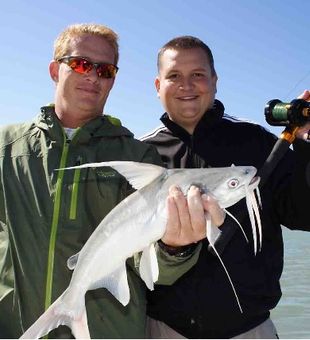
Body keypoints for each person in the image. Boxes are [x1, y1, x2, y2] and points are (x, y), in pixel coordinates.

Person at [0, 26, 225, 338]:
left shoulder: (137, 156)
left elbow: (147, 262)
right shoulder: (6, 147)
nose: (93, 77)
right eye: (81, 64)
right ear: (55, 70)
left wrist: (175, 248)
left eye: (105, 70)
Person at [141, 35, 310, 338]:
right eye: (174, 76)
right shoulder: (139, 155)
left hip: (250, 330)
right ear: (157, 86)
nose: (187, 85)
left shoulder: (256, 141)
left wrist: (308, 148)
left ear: (215, 80)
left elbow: (304, 214)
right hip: (162, 329)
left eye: (198, 75)